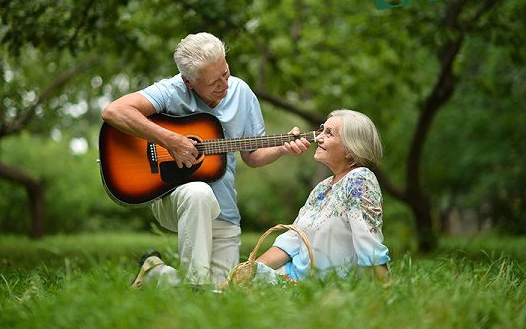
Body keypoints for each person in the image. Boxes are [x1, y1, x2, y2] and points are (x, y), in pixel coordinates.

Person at [102, 32, 310, 286]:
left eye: (225, 72)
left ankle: (156, 273)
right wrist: (170, 140)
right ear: (189, 82)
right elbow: (114, 111)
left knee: (223, 293)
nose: (224, 84)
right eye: (214, 81)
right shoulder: (171, 91)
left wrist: (282, 148)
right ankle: (195, 285)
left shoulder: (241, 93)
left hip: (225, 211)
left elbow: (252, 156)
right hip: (176, 201)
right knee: (198, 193)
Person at [229, 109, 390, 285]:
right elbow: (291, 241)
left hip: (324, 286)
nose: (318, 138)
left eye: (329, 133)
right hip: (292, 277)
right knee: (235, 283)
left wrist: (385, 293)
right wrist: (247, 271)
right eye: (322, 130)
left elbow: (369, 243)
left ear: (350, 150)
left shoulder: (360, 179)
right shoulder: (322, 187)